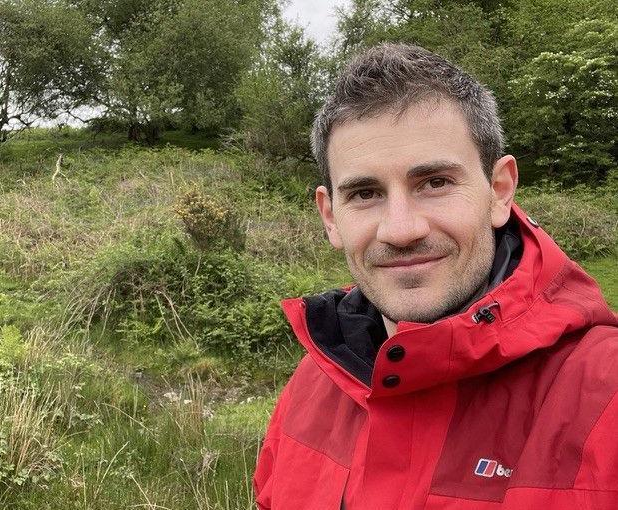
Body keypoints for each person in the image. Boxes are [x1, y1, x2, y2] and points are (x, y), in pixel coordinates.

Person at [253, 43, 618, 509]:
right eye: (365, 193)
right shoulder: (314, 381)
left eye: (435, 183)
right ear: (330, 216)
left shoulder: (604, 393)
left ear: (499, 191)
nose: (401, 230)